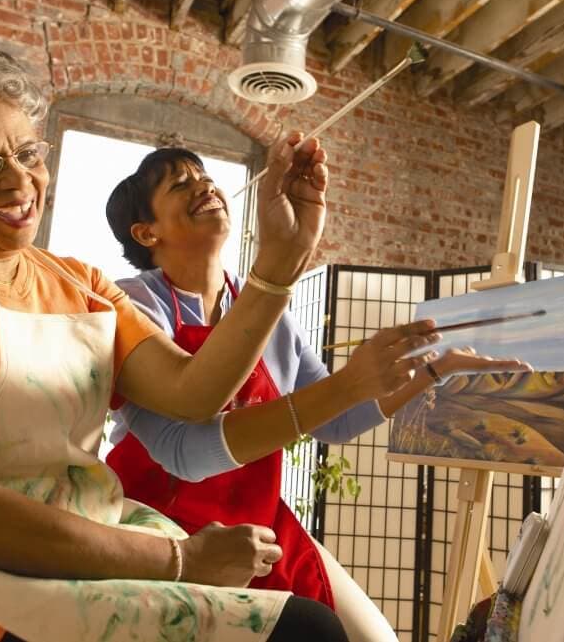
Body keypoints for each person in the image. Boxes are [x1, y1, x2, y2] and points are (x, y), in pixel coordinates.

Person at [0, 36, 445, 642]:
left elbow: (193, 392)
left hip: (95, 529)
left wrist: (281, 263)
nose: (17, 182)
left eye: (30, 154)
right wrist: (177, 560)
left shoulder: (79, 282)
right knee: (305, 630)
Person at [103, 148, 531, 642]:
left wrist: (431, 370)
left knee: (375, 638)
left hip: (256, 513)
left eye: (205, 175)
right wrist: (347, 377)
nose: (204, 185)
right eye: (180, 185)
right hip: (160, 519)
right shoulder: (134, 303)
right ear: (146, 232)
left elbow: (332, 419)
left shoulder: (269, 313)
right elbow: (186, 454)